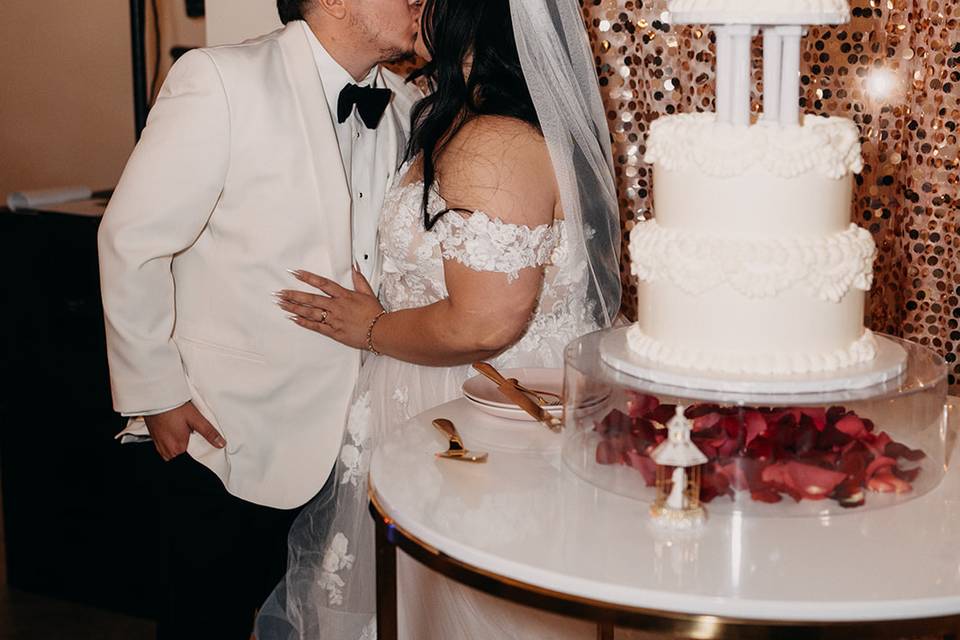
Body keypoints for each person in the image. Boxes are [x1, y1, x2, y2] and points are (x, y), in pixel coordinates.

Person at [257, 0, 622, 637]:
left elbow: (485, 324)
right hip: (436, 401)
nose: (410, 4)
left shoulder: (495, 144)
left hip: (479, 416)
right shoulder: (462, 120)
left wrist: (367, 327)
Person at [97, 0, 422, 637]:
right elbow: (131, 242)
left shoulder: (409, 106)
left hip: (358, 447)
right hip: (226, 435)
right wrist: (157, 394)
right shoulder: (221, 79)